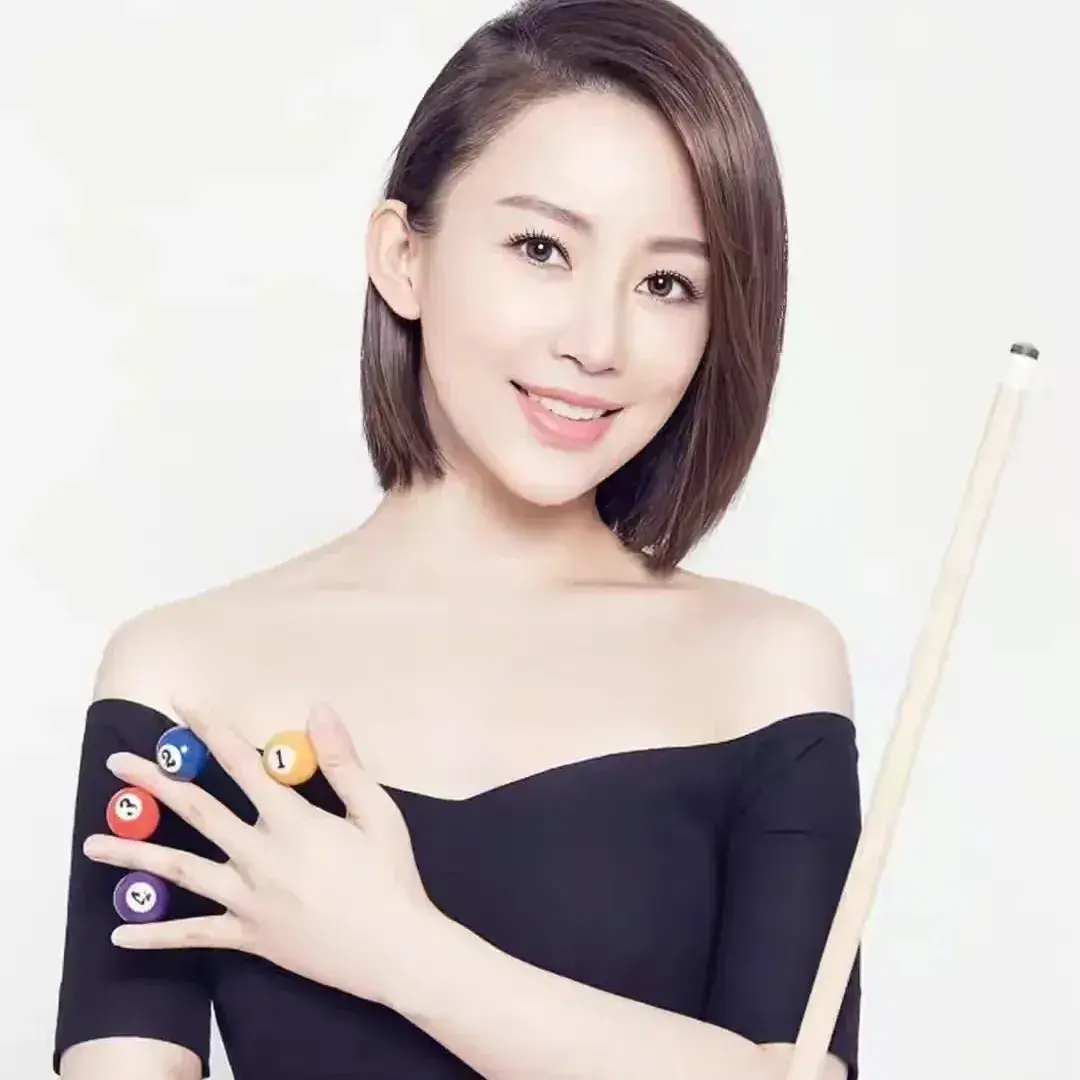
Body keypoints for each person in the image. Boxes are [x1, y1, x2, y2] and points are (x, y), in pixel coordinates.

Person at [53, 0, 862, 1077]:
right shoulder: (183, 677)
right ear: (404, 257)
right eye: (542, 248)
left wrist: (404, 954)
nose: (598, 342)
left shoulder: (766, 664)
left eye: (667, 283)